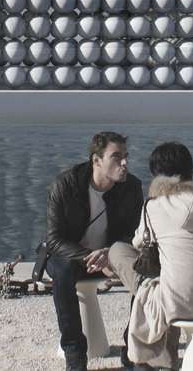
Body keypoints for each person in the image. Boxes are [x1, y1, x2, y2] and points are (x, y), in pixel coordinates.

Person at [109, 142, 193, 371]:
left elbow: (138, 246)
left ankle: (160, 360)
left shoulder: (153, 207)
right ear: (191, 172)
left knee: (119, 252)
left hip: (181, 301)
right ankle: (162, 358)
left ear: (156, 177)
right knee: (170, 276)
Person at [41, 131, 144, 371]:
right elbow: (54, 239)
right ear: (96, 160)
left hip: (112, 255)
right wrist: (90, 256)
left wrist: (110, 253)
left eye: (126, 156)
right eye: (116, 157)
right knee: (64, 270)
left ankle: (133, 346)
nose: (125, 163)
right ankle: (75, 353)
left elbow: (136, 234)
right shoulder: (65, 184)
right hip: (70, 256)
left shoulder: (132, 187)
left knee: (144, 266)